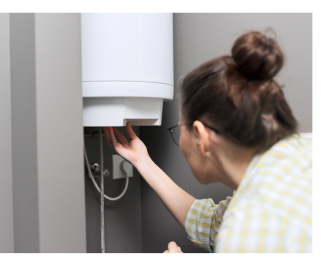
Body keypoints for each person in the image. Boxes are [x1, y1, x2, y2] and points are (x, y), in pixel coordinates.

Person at [103, 30, 311, 253]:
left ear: (201, 137)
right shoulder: (301, 151)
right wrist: (142, 160)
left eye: (178, 129)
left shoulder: (249, 227)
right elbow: (213, 223)